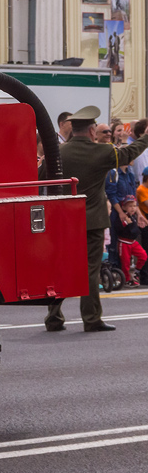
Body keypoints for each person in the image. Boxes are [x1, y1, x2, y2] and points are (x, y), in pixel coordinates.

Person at [45, 105, 148, 332]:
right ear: (92, 131)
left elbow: (41, 179)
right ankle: (91, 318)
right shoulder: (101, 152)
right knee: (90, 269)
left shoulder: (58, 152)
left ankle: (53, 317)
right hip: (91, 221)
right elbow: (129, 154)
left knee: (62, 267)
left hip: (63, 220)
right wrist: (146, 138)